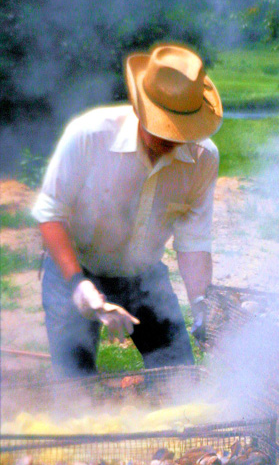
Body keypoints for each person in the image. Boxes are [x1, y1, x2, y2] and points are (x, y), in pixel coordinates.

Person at [31, 43, 223, 376]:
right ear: (139, 106)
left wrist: (201, 305)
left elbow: (193, 242)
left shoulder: (203, 158)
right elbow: (50, 214)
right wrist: (79, 286)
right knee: (74, 385)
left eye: (179, 130)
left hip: (144, 276)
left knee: (178, 376)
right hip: (75, 271)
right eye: (162, 127)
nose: (170, 138)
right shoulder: (89, 135)